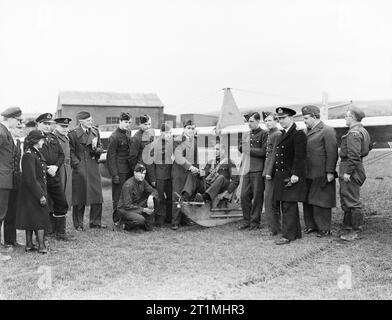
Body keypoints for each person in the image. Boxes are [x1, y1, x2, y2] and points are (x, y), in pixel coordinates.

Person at [302, 105, 338, 237]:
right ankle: (311, 226)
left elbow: (332, 153)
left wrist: (330, 171)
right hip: (307, 172)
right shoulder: (305, 131)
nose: (304, 121)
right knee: (307, 200)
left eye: (306, 118)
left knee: (321, 200)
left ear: (315, 116)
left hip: (321, 173)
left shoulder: (327, 131)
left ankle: (324, 228)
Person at [273, 107, 307, 245]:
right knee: (286, 203)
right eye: (279, 118)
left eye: (283, 118)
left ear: (291, 118)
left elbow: (300, 157)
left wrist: (296, 173)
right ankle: (295, 233)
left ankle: (288, 235)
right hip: (282, 175)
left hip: (290, 175)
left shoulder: (298, 135)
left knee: (288, 205)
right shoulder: (283, 134)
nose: (281, 121)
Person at [68, 111, 106, 230]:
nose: (91, 122)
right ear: (81, 121)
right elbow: (71, 152)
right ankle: (78, 224)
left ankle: (95, 222)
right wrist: (77, 165)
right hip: (80, 168)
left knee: (97, 195)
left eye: (91, 120)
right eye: (88, 120)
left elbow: (100, 147)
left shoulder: (95, 131)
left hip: (93, 166)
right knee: (79, 196)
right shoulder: (73, 134)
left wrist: (96, 148)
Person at [338, 106, 371, 241]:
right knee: (347, 198)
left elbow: (354, 155)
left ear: (352, 117)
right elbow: (368, 147)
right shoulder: (363, 131)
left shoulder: (353, 133)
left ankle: (355, 231)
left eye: (346, 116)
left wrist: (348, 172)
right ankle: (348, 225)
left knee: (351, 200)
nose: (345, 118)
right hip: (357, 167)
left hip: (350, 167)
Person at [36, 113, 70, 241]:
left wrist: (55, 167)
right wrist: (46, 168)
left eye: (49, 124)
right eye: (45, 123)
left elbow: (61, 155)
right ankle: (44, 233)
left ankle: (60, 233)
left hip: (54, 176)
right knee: (42, 204)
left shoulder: (52, 137)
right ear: (38, 123)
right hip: (40, 177)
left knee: (61, 202)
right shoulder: (33, 138)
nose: (47, 126)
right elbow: (31, 158)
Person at [16, 130, 50, 254]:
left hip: (33, 191)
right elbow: (30, 179)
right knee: (39, 218)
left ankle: (30, 245)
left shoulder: (35, 153)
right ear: (35, 140)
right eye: (41, 139)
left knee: (31, 218)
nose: (43, 142)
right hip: (33, 192)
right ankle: (41, 246)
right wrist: (40, 195)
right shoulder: (29, 155)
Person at [238, 112, 268, 230]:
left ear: (258, 121)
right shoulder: (246, 134)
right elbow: (240, 147)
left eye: (251, 121)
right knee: (244, 196)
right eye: (248, 122)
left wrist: (248, 149)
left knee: (257, 197)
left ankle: (255, 222)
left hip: (258, 169)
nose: (249, 124)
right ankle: (247, 221)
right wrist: (243, 148)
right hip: (246, 169)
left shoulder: (264, 134)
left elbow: (264, 151)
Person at [0, 107, 22, 262]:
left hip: (10, 180)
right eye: (18, 119)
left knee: (9, 212)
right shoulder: (1, 132)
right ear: (10, 119)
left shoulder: (6, 132)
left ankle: (10, 240)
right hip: (2, 180)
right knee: (0, 214)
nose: (19, 122)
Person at [171, 119, 199, 230]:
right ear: (184, 129)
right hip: (179, 172)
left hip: (190, 174)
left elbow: (196, 159)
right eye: (189, 128)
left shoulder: (195, 141)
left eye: (193, 128)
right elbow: (178, 157)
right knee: (177, 196)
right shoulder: (177, 140)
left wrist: (196, 170)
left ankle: (186, 218)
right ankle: (175, 221)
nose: (191, 130)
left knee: (187, 195)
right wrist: (190, 167)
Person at [106, 112, 132, 226]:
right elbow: (110, 157)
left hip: (128, 169)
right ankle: (116, 219)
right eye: (126, 122)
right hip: (119, 171)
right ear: (120, 121)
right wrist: (114, 174)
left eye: (129, 122)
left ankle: (125, 217)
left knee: (127, 194)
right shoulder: (114, 136)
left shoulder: (128, 134)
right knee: (117, 196)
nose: (127, 124)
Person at [116, 164, 159, 231]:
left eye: (144, 173)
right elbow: (127, 205)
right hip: (124, 209)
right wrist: (144, 210)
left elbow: (154, 191)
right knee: (140, 220)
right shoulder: (128, 185)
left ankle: (148, 225)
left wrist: (151, 196)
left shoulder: (143, 181)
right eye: (140, 173)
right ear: (135, 173)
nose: (142, 175)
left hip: (135, 206)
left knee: (155, 200)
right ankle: (123, 224)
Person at [3, 120, 23, 248]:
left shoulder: (18, 142)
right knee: (3, 211)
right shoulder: (7, 141)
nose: (20, 130)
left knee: (13, 211)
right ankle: (4, 241)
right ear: (12, 129)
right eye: (18, 128)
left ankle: (12, 240)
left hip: (16, 181)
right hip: (6, 180)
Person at [262, 112, 282, 236]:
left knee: (270, 201)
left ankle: (274, 228)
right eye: (266, 121)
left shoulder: (277, 134)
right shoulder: (271, 134)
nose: (268, 123)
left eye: (270, 120)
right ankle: (274, 227)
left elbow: (274, 155)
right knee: (270, 201)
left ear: (276, 121)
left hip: (272, 173)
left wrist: (270, 172)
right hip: (268, 170)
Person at [149, 123, 174, 226]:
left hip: (169, 176)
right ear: (161, 132)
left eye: (170, 133)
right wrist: (153, 179)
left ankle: (169, 217)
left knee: (170, 197)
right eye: (166, 132)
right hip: (159, 176)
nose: (168, 135)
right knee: (159, 198)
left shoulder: (171, 143)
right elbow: (150, 163)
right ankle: (159, 220)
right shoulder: (154, 144)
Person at [129, 114, 155, 185]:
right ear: (140, 124)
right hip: (142, 170)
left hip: (152, 169)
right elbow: (132, 157)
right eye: (145, 124)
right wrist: (137, 171)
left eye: (149, 124)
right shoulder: (136, 138)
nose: (148, 126)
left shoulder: (151, 133)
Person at [53, 117, 73, 206]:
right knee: (59, 193)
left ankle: (63, 215)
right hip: (59, 168)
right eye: (62, 126)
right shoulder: (54, 137)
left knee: (67, 193)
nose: (65, 128)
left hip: (67, 168)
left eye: (66, 126)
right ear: (56, 126)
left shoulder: (65, 137)